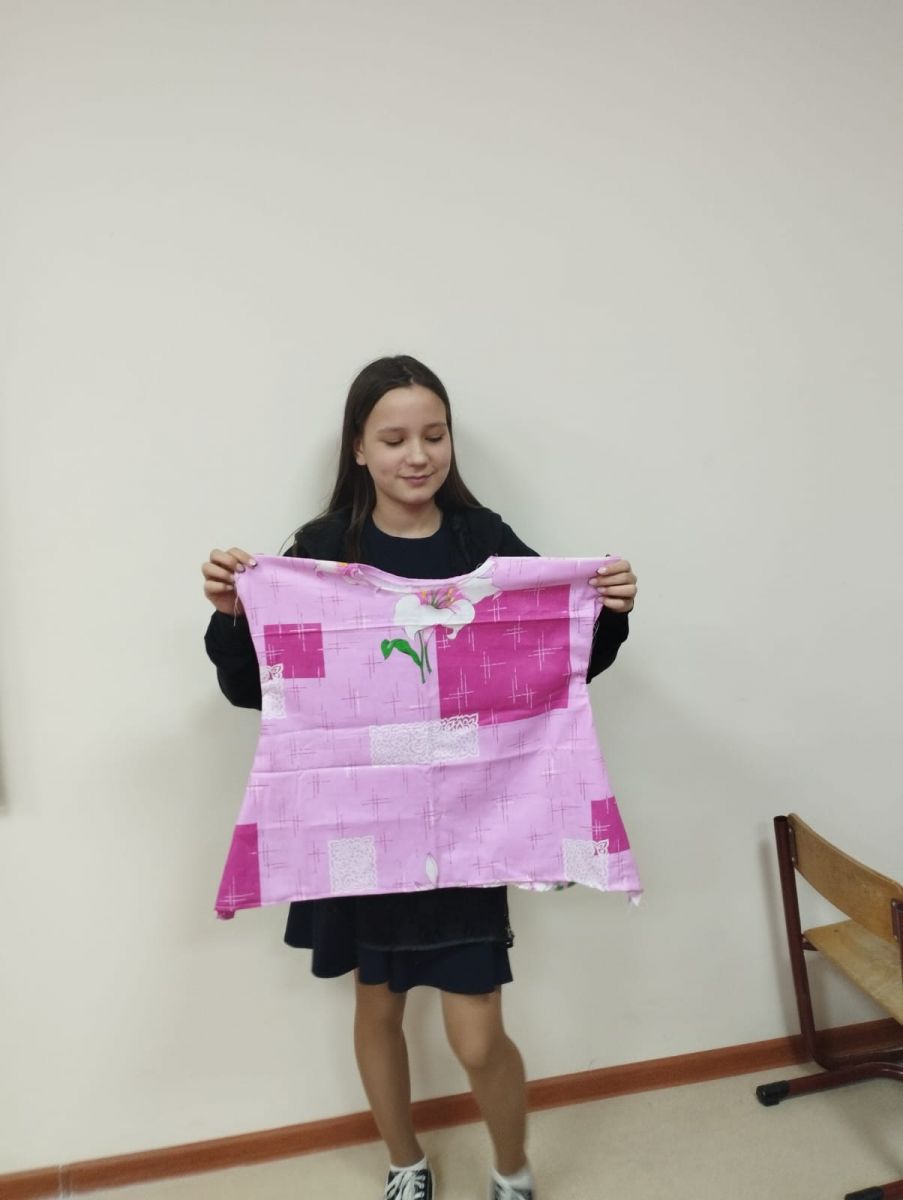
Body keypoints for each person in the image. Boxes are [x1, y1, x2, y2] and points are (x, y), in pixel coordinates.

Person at [201, 355, 638, 1200]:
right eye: (394, 438)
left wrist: (608, 608)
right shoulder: (320, 552)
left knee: (477, 1034)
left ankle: (510, 1169)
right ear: (358, 447)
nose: (416, 455)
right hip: (357, 825)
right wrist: (229, 617)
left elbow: (554, 662)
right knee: (376, 1007)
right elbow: (258, 690)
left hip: (466, 826)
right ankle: (405, 1163)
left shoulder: (481, 540)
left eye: (433, 436)